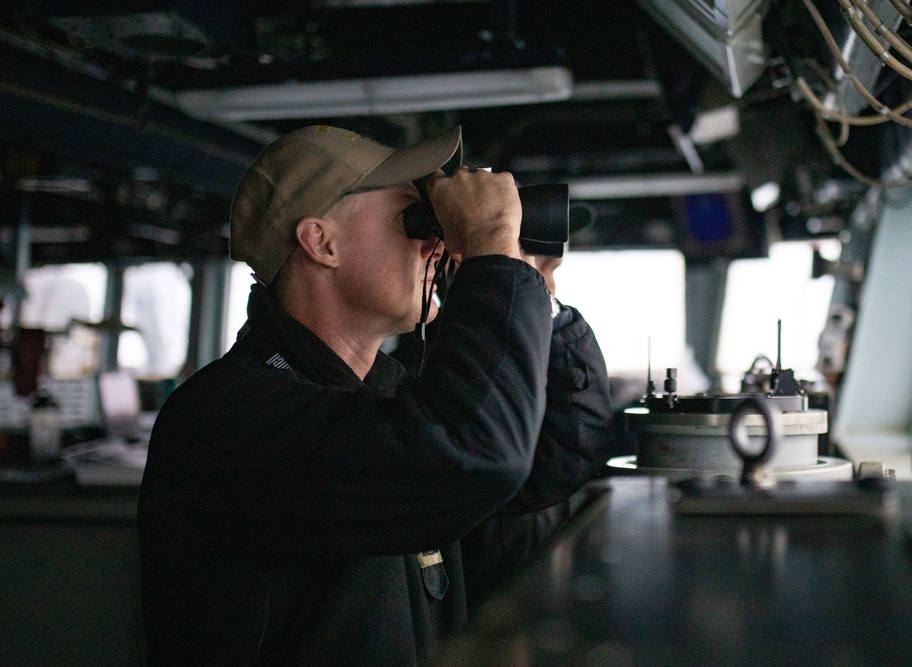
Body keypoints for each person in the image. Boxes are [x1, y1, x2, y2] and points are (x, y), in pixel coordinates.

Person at [137, 124, 617, 666]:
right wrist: (490, 256)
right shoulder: (229, 418)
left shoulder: (386, 390)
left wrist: (532, 287)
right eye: (411, 219)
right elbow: (479, 454)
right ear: (321, 242)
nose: (435, 241)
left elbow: (563, 455)